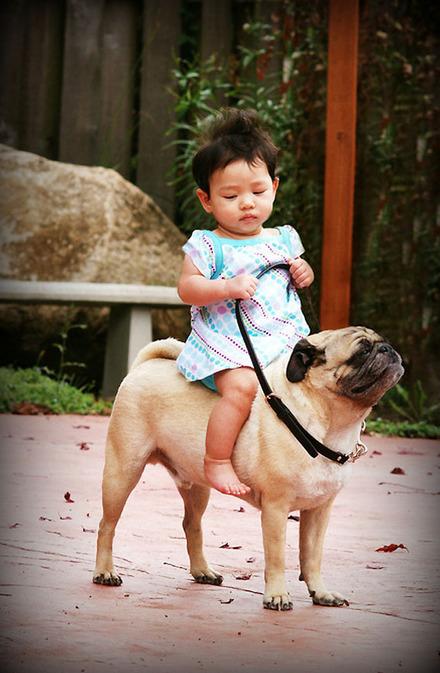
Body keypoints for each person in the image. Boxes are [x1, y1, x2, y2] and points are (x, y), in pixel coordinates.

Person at [176, 108, 314, 496]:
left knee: (315, 379)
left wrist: (304, 273)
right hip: (226, 343)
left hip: (282, 338)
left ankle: (300, 454)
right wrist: (224, 288)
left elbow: (297, 272)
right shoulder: (209, 245)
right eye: (231, 196)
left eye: (257, 191)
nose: (247, 204)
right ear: (206, 200)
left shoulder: (283, 238)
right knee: (242, 388)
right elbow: (187, 288)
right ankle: (216, 461)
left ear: (274, 187)